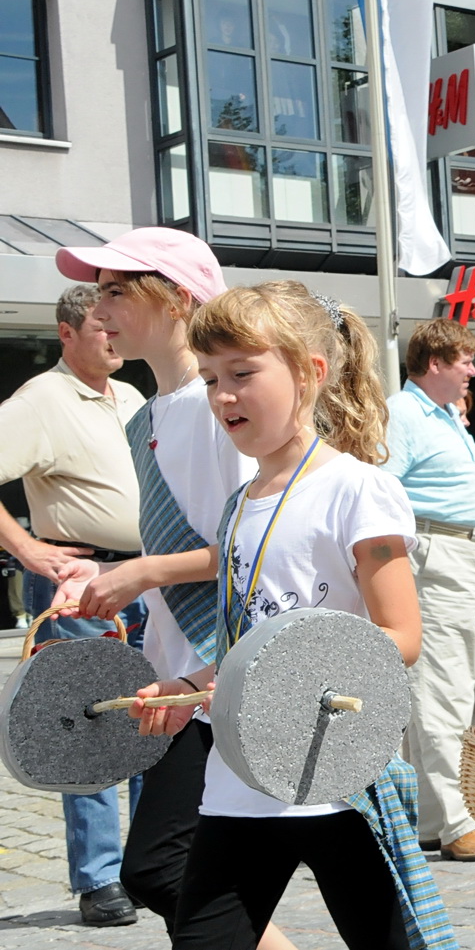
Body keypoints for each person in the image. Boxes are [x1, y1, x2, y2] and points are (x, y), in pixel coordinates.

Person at [124, 282, 451, 950]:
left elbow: (402, 637)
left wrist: (291, 681)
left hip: (337, 779)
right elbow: (248, 645)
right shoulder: (239, 502)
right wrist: (190, 688)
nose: (222, 395)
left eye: (243, 373)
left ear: (310, 371)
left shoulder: (358, 488)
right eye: (212, 377)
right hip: (242, 779)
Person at [49, 229, 280, 945]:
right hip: (178, 675)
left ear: (178, 298)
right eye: (100, 290)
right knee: (173, 870)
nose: (102, 305)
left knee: (162, 866)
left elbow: (256, 545)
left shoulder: (223, 405)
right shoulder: (146, 415)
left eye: (119, 289)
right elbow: (175, 541)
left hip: (228, 669)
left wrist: (145, 571)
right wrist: (106, 574)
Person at [0, 285, 147, 927]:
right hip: (76, 584)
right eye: (98, 326)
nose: (112, 335)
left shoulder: (137, 397)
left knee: (155, 715)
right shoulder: (42, 400)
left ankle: (151, 861)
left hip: (145, 577)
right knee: (85, 723)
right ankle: (100, 879)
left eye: (116, 324)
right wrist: (28, 549)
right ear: (66, 333)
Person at [383, 318, 475, 863]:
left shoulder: (444, 416)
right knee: (444, 689)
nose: (473, 370)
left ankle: (432, 819)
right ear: (434, 363)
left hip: (464, 556)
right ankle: (456, 820)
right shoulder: (405, 413)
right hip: (439, 559)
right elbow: (382, 488)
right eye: (465, 361)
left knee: (450, 686)